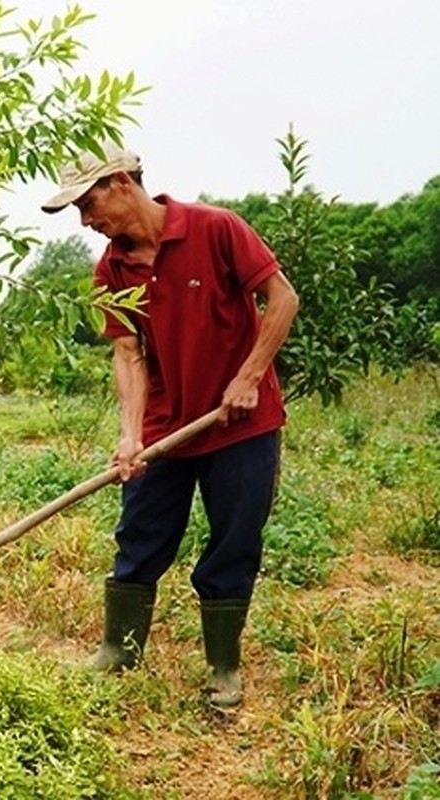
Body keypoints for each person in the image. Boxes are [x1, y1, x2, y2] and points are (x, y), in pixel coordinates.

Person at [41, 143, 299, 707]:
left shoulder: (216, 229)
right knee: (140, 534)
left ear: (121, 183)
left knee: (233, 540)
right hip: (166, 428)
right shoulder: (111, 268)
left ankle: (223, 669)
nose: (86, 221)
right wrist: (131, 433)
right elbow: (128, 354)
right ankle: (119, 651)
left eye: (87, 204)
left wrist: (249, 376)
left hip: (242, 424)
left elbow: (282, 300)